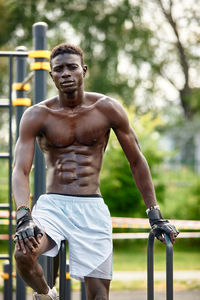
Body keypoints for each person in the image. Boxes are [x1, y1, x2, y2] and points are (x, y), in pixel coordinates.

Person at [12, 43, 179, 300]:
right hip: (52, 205)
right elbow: (21, 169)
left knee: (99, 295)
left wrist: (154, 214)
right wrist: (24, 215)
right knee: (23, 252)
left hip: (92, 207)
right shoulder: (37, 115)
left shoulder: (107, 108)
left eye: (72, 67)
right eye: (59, 69)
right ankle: (47, 295)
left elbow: (136, 160)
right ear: (51, 75)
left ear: (83, 70)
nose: (65, 73)